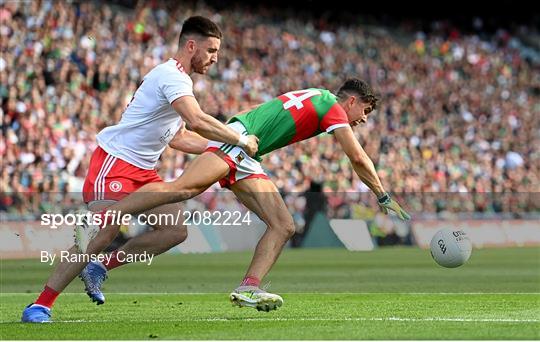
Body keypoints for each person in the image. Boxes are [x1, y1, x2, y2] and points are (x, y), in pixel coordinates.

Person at [74, 78, 410, 313]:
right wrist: (381, 194)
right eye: (364, 111)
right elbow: (357, 157)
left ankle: (248, 286)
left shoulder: (318, 96)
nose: (363, 119)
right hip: (240, 142)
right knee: (184, 188)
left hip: (249, 152)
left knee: (283, 225)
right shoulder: (333, 108)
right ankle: (103, 217)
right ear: (350, 100)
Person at [21, 15, 259, 323]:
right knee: (101, 231)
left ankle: (102, 266)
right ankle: (40, 305)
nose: (214, 59)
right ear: (191, 46)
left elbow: (180, 137)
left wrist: (220, 148)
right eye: (211, 50)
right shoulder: (172, 77)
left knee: (174, 231)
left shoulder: (178, 80)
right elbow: (197, 120)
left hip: (144, 173)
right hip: (115, 164)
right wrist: (240, 140)